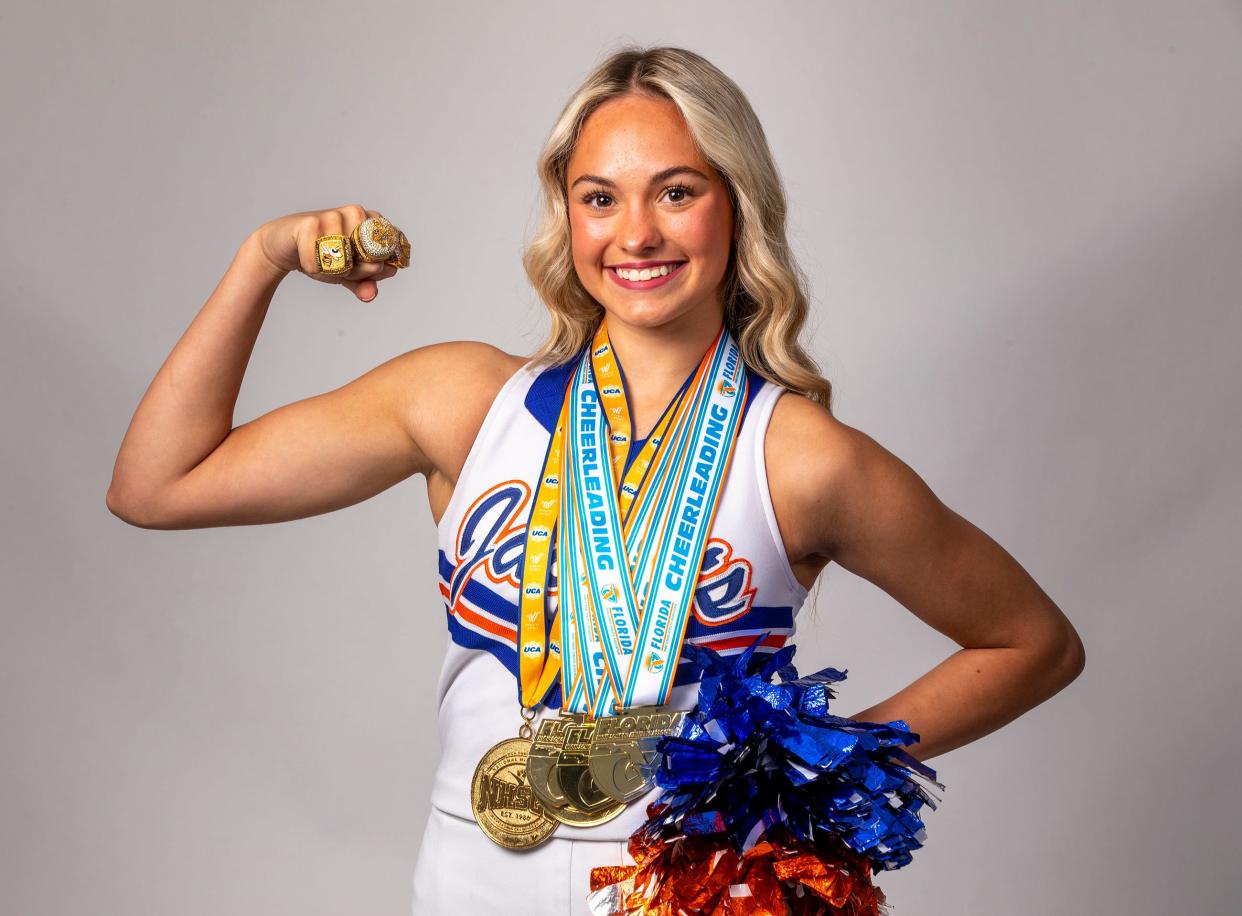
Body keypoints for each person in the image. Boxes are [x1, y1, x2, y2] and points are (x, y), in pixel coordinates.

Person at [106, 45, 1085, 916]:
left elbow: (1033, 641)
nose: (637, 234)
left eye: (676, 190)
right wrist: (263, 258)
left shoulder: (799, 454)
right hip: (467, 878)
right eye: (600, 196)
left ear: (736, 205)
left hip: (687, 891)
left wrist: (809, 777)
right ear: (567, 214)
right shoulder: (463, 400)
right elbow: (157, 485)